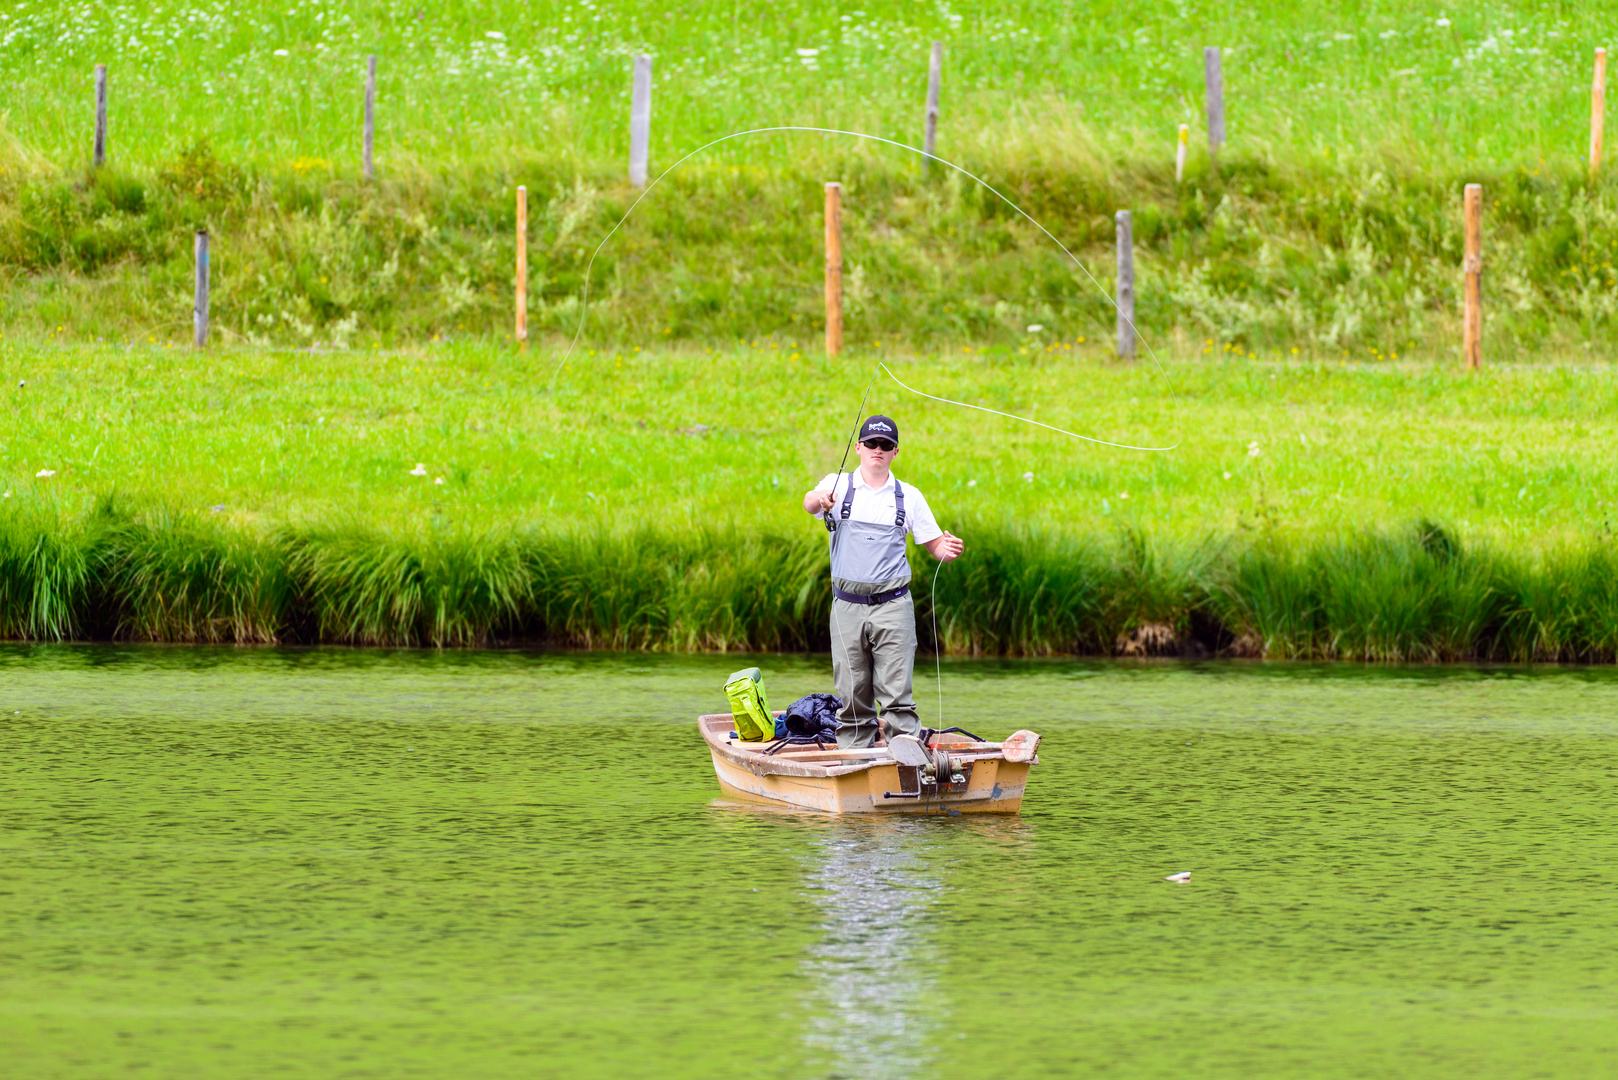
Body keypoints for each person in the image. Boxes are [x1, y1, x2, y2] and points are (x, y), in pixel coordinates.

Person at [802, 415, 964, 749]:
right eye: (872, 443)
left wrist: (948, 550)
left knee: (896, 693)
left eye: (886, 445)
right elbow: (808, 502)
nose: (878, 449)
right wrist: (822, 500)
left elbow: (935, 546)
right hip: (847, 606)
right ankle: (854, 759)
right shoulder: (837, 484)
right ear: (859, 447)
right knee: (852, 691)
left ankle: (906, 757)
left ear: (895, 452)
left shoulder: (910, 496)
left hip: (893, 606)